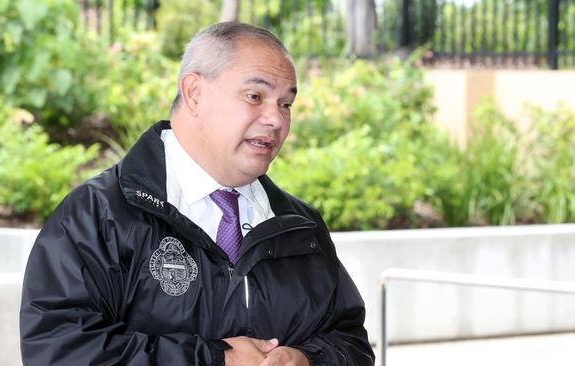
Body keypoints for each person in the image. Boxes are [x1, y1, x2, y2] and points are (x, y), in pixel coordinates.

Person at [20, 22, 375, 366]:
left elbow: (351, 343)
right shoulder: (100, 213)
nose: (276, 120)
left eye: (285, 104)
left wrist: (307, 360)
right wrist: (214, 360)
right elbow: (60, 349)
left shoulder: (301, 228)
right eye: (255, 96)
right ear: (194, 93)